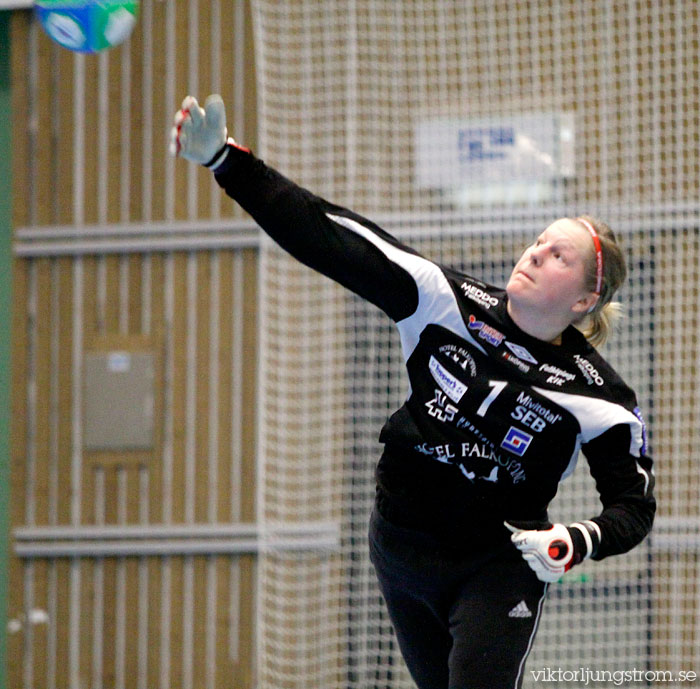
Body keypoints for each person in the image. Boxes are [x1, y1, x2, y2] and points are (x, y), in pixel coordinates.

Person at [170, 95, 655, 689]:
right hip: (401, 545)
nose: (535, 253)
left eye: (560, 256)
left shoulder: (600, 395)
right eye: (539, 241)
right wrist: (226, 161)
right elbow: (330, 235)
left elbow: (633, 507)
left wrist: (576, 541)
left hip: (498, 562)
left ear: (583, 301)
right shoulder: (443, 300)